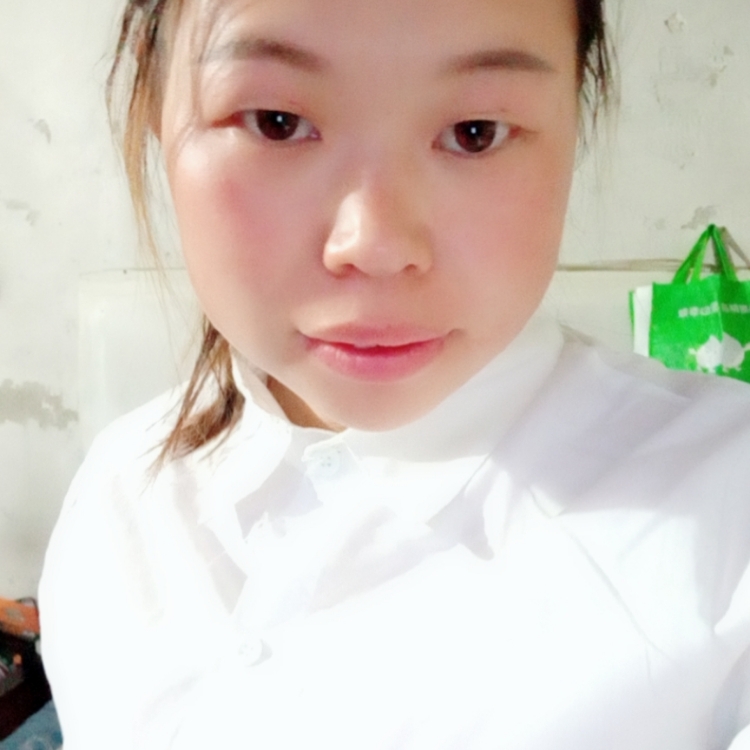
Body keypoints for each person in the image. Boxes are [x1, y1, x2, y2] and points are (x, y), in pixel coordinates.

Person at [38, 0, 750, 747]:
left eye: (475, 133)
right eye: (276, 122)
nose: (375, 245)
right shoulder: (120, 500)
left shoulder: (725, 510)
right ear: (156, 109)